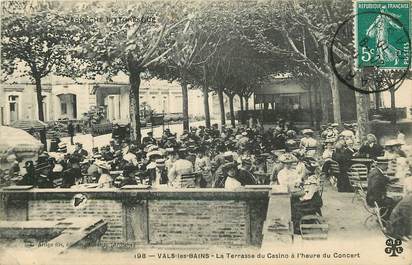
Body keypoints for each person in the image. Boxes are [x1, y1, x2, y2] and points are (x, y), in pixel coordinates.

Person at [367, 157, 399, 221]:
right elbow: (375, 188)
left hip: (371, 197)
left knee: (393, 199)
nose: (387, 166)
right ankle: (386, 220)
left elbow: (382, 179)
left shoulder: (376, 171)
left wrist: (389, 180)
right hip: (375, 199)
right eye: (386, 165)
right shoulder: (377, 175)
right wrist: (383, 197)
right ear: (381, 165)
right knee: (395, 201)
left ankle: (383, 217)